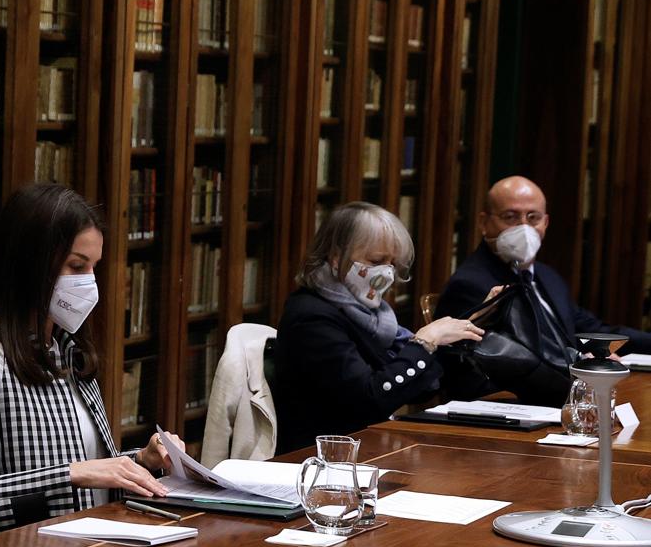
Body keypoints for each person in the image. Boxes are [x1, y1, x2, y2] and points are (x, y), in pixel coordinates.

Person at [0, 183, 181, 547]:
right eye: (76, 266)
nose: (88, 282)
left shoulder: (69, 352)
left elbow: (86, 477)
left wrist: (140, 460)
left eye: (93, 267)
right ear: (31, 264)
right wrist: (73, 475)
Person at [274, 202, 484, 454]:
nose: (387, 273)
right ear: (335, 257)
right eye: (376, 260)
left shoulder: (368, 314)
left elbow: (414, 389)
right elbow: (370, 398)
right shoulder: (311, 317)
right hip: (318, 459)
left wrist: (466, 330)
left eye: (392, 264)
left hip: (363, 448)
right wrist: (423, 343)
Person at [436, 175, 651, 364]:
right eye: (510, 217)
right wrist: (578, 363)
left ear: (545, 223)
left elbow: (592, 330)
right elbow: (510, 357)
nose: (524, 227)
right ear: (484, 223)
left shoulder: (547, 276)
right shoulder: (471, 284)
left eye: (533, 217)